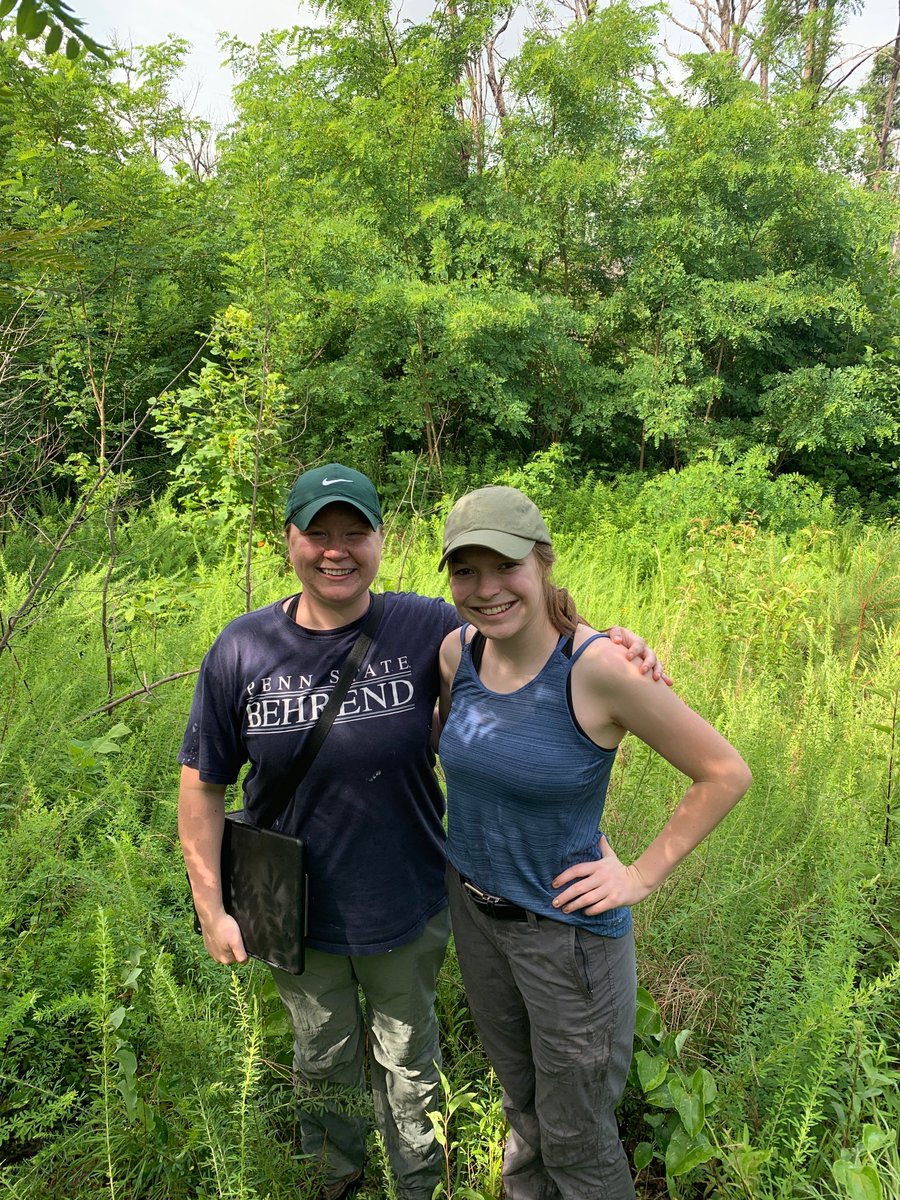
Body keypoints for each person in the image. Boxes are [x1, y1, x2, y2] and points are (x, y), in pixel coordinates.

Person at [178, 464, 666, 1200]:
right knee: (321, 1055)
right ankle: (334, 1175)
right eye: (318, 533)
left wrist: (616, 645)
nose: (336, 550)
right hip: (290, 908)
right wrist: (212, 908)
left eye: (355, 532)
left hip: (406, 900)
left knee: (409, 1059)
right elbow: (202, 787)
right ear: (287, 540)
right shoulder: (242, 648)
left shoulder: (424, 625)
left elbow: (523, 627)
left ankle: (418, 1184)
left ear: (382, 540)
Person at [436, 485, 752, 1200]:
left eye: (505, 566)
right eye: (466, 571)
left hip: (565, 941)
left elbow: (725, 772)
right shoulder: (458, 652)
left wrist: (639, 875)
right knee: (522, 1106)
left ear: (542, 561)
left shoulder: (598, 669)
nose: (486, 589)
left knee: (576, 1137)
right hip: (476, 918)